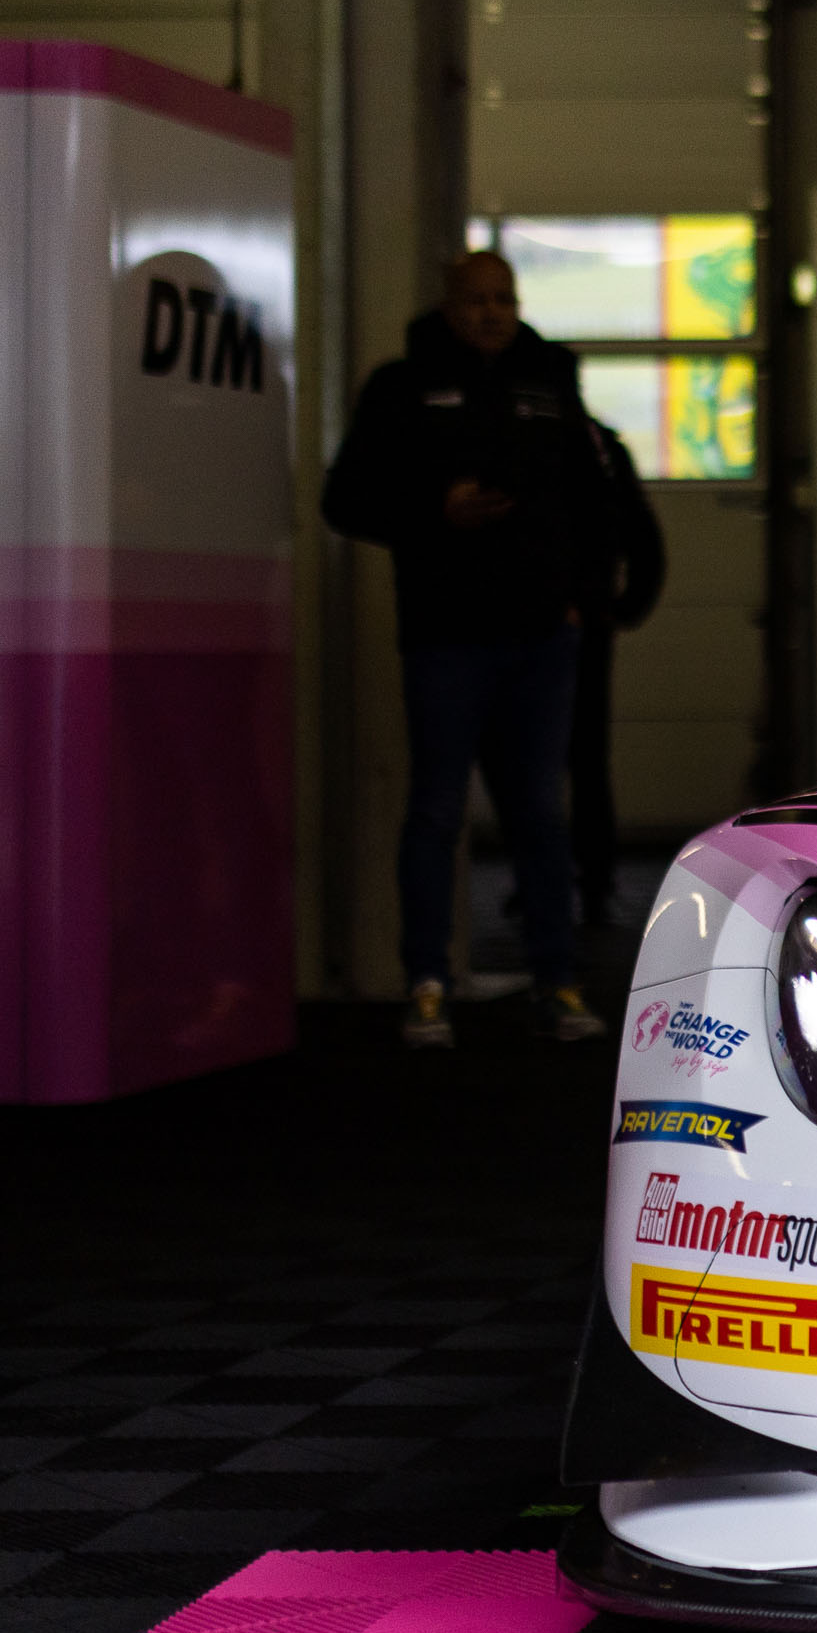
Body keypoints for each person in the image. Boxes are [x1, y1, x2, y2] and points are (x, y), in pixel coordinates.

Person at [321, 249, 610, 1049]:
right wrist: (435, 508)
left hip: (542, 636)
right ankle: (427, 984)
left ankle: (557, 979)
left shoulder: (551, 380)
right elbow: (345, 500)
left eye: (504, 298)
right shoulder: (400, 385)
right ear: (448, 307)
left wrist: (583, 599)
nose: (491, 312)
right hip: (446, 636)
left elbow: (595, 497)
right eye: (476, 299)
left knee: (539, 814)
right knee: (437, 811)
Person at [569, 414, 667, 931]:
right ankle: (589, 880)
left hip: (571, 626)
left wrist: (621, 607)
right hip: (580, 624)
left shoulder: (596, 447)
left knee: (561, 761)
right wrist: (621, 607)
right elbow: (644, 538)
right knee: (582, 758)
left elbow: (643, 539)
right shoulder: (600, 446)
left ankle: (584, 879)